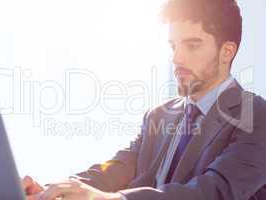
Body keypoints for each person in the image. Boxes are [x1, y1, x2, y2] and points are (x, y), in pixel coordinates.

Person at [22, 0, 266, 199]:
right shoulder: (158, 116)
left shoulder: (256, 115)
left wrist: (112, 199)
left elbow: (214, 192)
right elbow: (116, 169)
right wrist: (53, 192)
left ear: (227, 52)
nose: (177, 58)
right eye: (173, 46)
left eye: (192, 46)